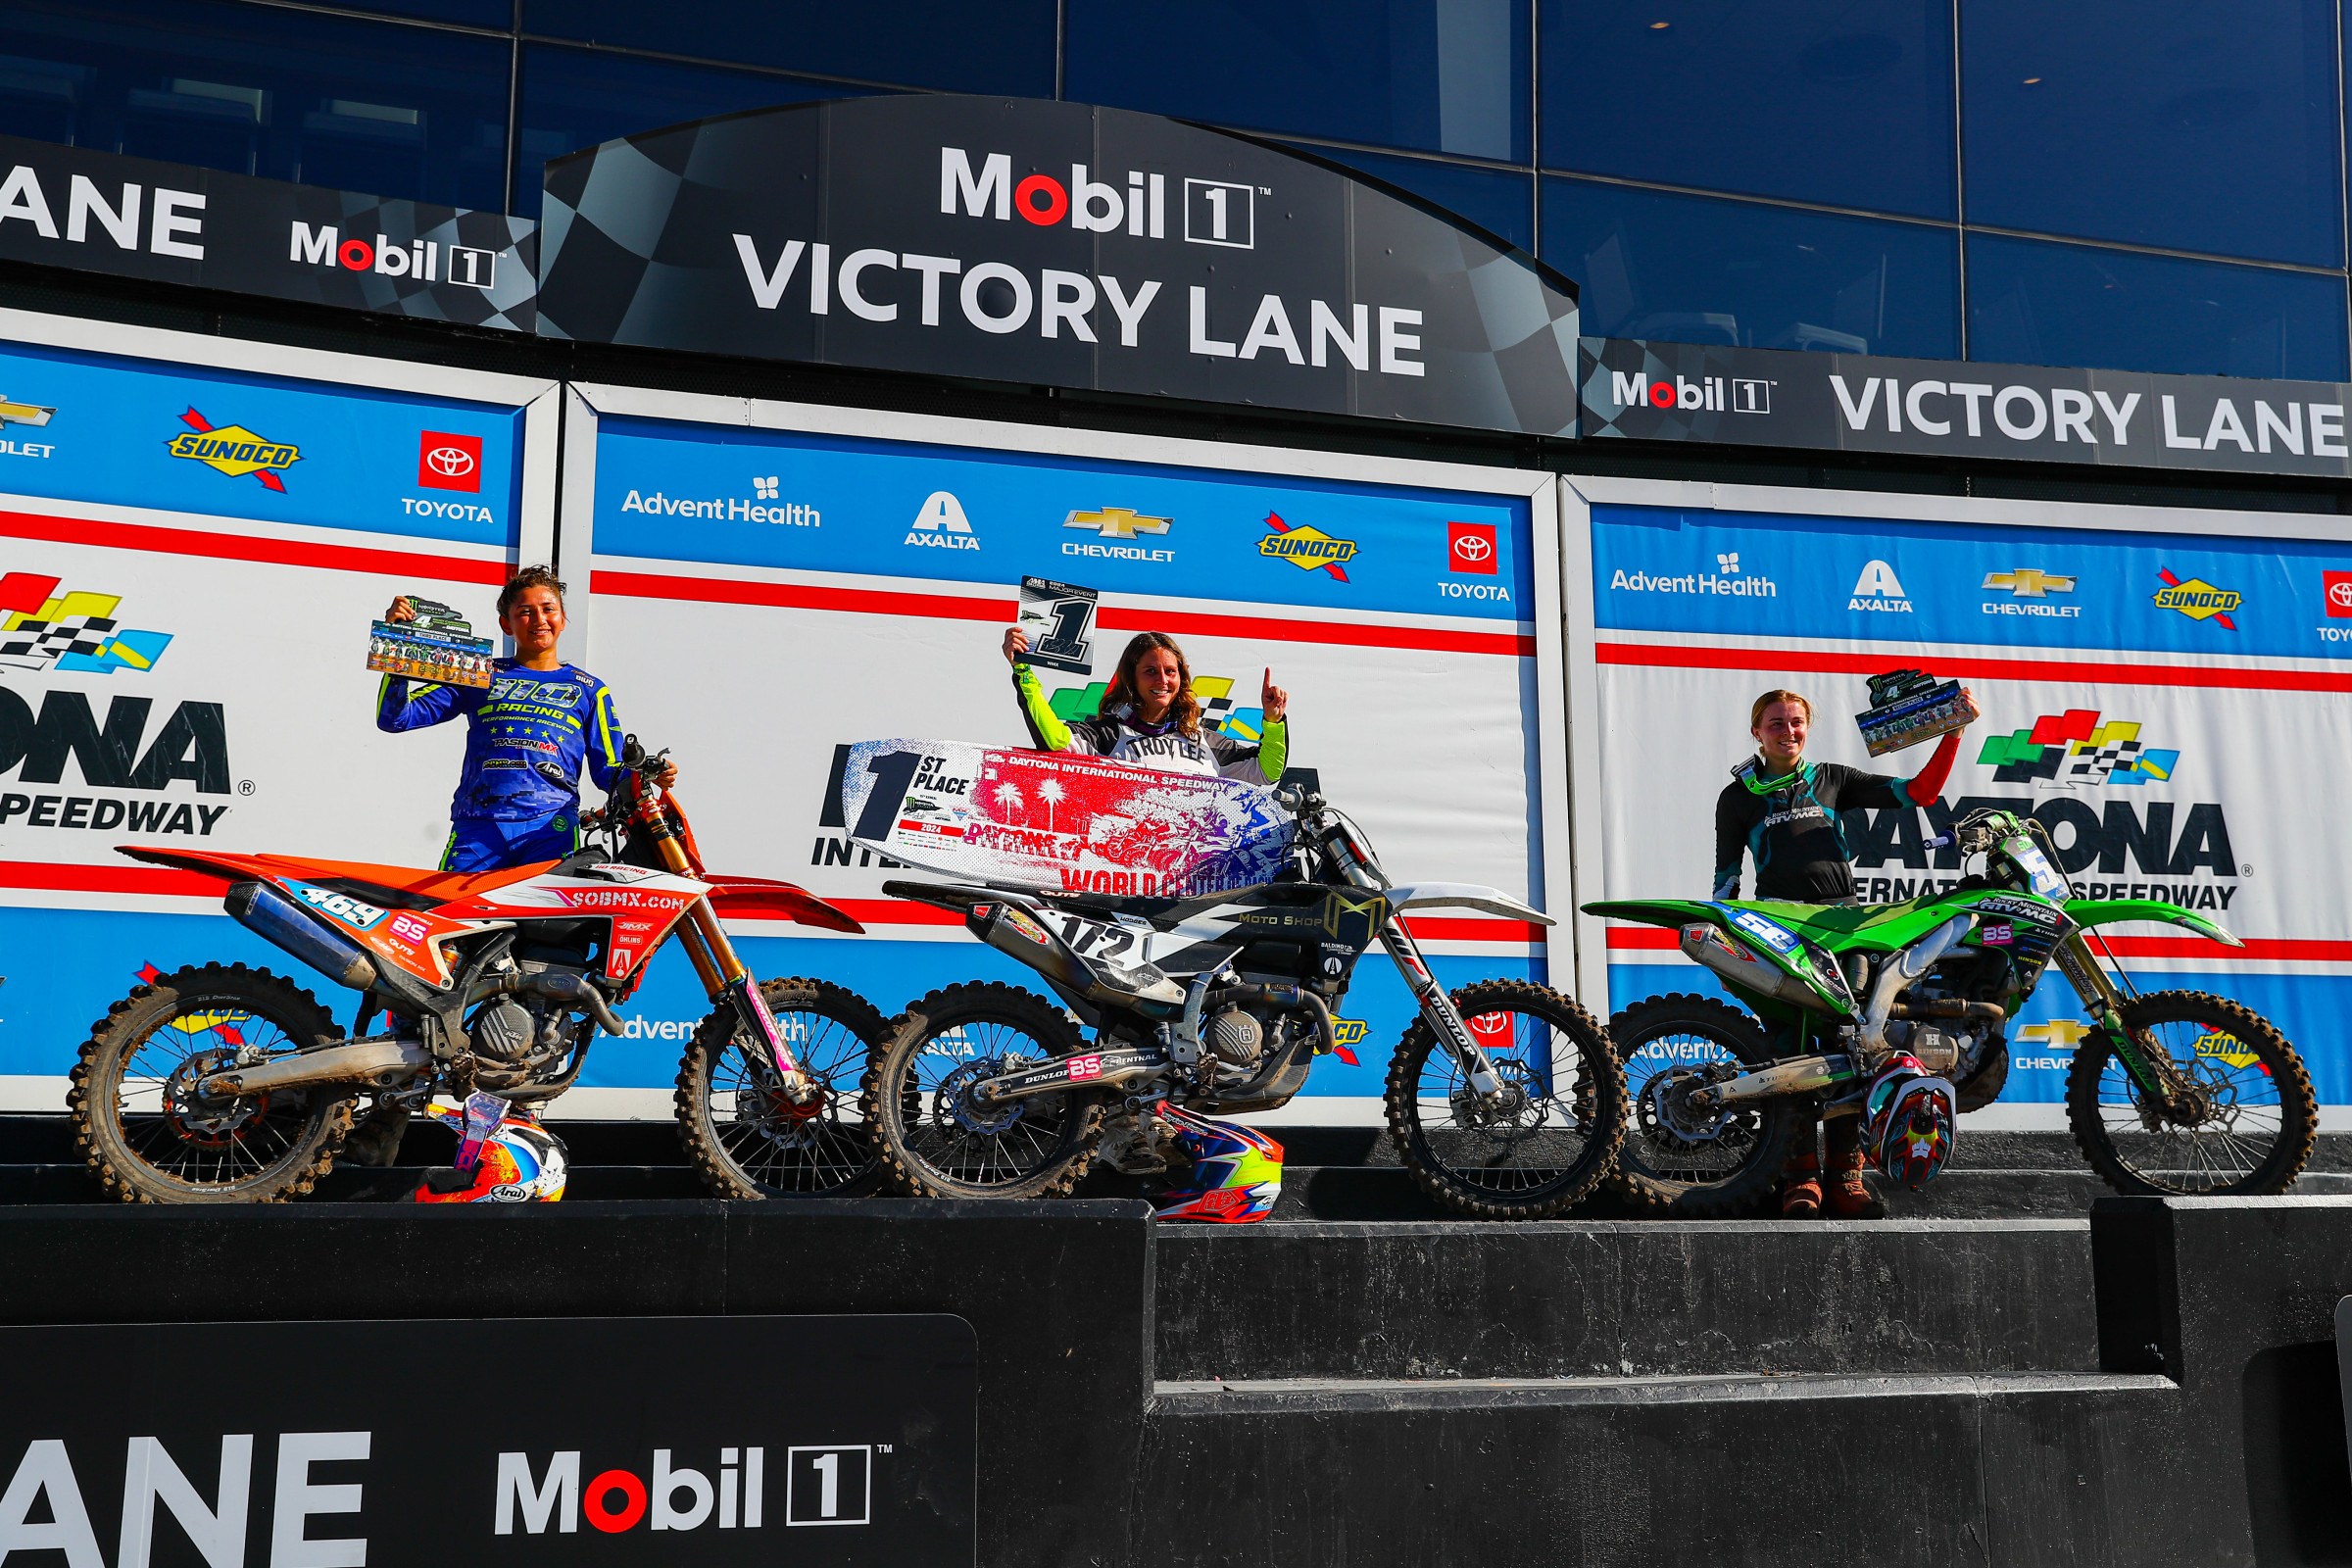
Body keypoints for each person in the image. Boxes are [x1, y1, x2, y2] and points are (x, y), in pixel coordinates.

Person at [1712, 685, 1980, 1218]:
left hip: (1845, 928)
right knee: (1790, 1054)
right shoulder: (1737, 796)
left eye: (1795, 722)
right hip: (1780, 930)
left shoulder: (1832, 778)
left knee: (1852, 1050)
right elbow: (1725, 880)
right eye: (1775, 723)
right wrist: (1723, 938)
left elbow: (1921, 792)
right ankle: (1797, 1183)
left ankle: (1846, 1180)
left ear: (1806, 728)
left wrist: (1953, 732)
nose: (1787, 732)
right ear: (1755, 732)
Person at [378, 564, 673, 873]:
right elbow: (395, 718)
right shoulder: (479, 672)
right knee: (455, 919)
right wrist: (399, 648)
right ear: (506, 624)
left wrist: (648, 774)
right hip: (479, 826)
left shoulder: (590, 690)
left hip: (551, 829)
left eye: (549, 609)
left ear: (562, 618)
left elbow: (609, 772)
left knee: (548, 922)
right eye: (525, 612)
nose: (539, 619)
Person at [1000, 626, 1289, 783]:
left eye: (1170, 671)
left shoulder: (1204, 740)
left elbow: (1265, 771)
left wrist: (1273, 723)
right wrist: (1023, 672)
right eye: (1150, 671)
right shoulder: (1108, 734)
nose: (1162, 680)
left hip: (1193, 878)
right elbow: (1054, 741)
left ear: (1181, 678)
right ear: (1132, 678)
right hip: (1124, 872)